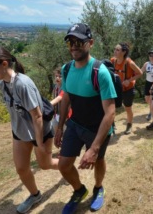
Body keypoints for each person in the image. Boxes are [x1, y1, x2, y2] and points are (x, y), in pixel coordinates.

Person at [0, 46, 59, 214]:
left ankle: (69, 166)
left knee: (46, 165)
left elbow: (37, 116)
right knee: (21, 168)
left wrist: (39, 143)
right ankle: (35, 195)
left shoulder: (23, 84)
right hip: (20, 132)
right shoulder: (0, 83)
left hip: (40, 132)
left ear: (4, 64)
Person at [55, 23, 116, 214]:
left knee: (98, 160)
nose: (74, 46)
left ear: (90, 43)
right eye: (70, 42)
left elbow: (110, 113)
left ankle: (98, 188)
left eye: (79, 42)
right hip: (75, 124)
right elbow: (66, 98)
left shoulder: (100, 72)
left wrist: (94, 148)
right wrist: (59, 127)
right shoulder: (66, 70)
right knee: (64, 165)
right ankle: (79, 190)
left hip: (97, 128)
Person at [111, 42, 143, 134]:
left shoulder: (129, 62)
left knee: (128, 108)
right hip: (116, 88)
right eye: (115, 49)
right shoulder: (113, 61)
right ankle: (112, 125)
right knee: (111, 107)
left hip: (128, 89)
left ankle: (129, 125)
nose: (115, 51)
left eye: (117, 50)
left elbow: (140, 73)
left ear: (124, 52)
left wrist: (129, 80)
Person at [140, 50, 153, 121]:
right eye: (150, 55)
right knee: (147, 99)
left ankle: (150, 112)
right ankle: (152, 108)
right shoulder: (146, 64)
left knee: (151, 99)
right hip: (148, 83)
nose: (151, 57)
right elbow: (140, 71)